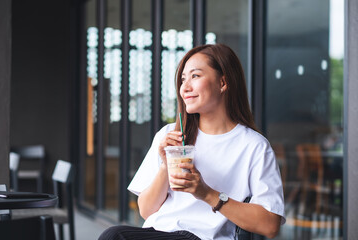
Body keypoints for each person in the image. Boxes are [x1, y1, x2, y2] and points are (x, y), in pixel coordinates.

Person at [99, 43, 285, 240]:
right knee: (114, 235)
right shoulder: (171, 134)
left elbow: (270, 225)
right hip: (161, 233)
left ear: (223, 83)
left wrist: (206, 193)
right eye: (182, 79)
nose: (184, 88)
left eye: (195, 76)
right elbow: (146, 211)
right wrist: (165, 166)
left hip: (203, 236)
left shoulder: (253, 146)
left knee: (115, 236)